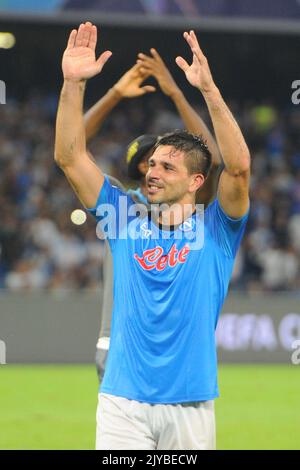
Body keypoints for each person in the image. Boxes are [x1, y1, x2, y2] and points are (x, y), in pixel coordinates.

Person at [55, 22, 250, 450]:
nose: (153, 172)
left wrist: (208, 90)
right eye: (152, 164)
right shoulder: (122, 218)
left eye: (166, 167)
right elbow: (70, 156)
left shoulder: (217, 228)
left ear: (197, 180)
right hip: (122, 401)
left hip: (191, 404)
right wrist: (72, 85)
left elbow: (236, 168)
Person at [83, 53, 222, 381]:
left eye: (168, 159)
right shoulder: (120, 209)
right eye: (152, 160)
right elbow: (71, 149)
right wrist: (115, 93)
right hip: (122, 342)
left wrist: (176, 93)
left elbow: (211, 160)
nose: (160, 164)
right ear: (140, 171)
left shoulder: (191, 206)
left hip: (180, 345)